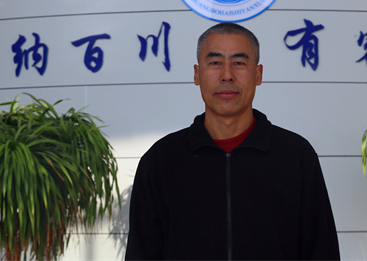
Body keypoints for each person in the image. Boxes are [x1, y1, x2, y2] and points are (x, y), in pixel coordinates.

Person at [125, 22, 340, 260]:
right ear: (197, 74)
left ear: (258, 74)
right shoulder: (161, 161)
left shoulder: (296, 156)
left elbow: (322, 251)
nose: (227, 75)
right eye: (215, 63)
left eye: (239, 63)